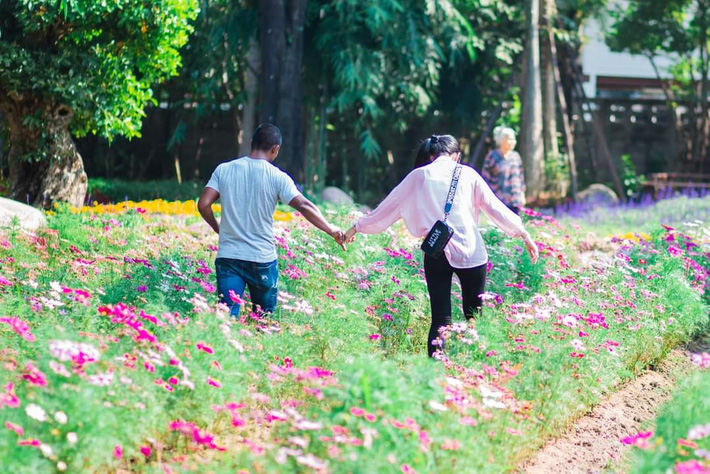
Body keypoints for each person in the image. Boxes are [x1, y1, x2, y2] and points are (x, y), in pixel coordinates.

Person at [344, 134, 538, 357]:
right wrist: (523, 234)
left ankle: (436, 367)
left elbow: (388, 207)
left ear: (431, 155)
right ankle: (478, 365)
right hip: (471, 251)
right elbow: (495, 207)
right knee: (475, 316)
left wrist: (356, 227)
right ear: (456, 156)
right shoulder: (468, 174)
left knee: (440, 318)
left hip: (436, 252)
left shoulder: (419, 176)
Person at [198, 123, 346, 316]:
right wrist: (331, 230)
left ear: (252, 142)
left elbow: (203, 204)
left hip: (228, 256)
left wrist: (218, 228)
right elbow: (304, 205)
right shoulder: (278, 177)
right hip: (262, 259)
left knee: (226, 318)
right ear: (275, 149)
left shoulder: (224, 170)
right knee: (263, 320)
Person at [481, 126, 526, 215]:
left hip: (515, 200)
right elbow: (485, 178)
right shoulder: (492, 156)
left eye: (514, 139)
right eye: (510, 139)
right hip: (498, 200)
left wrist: (522, 194)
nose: (513, 142)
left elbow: (520, 177)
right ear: (501, 141)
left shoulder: (516, 156)